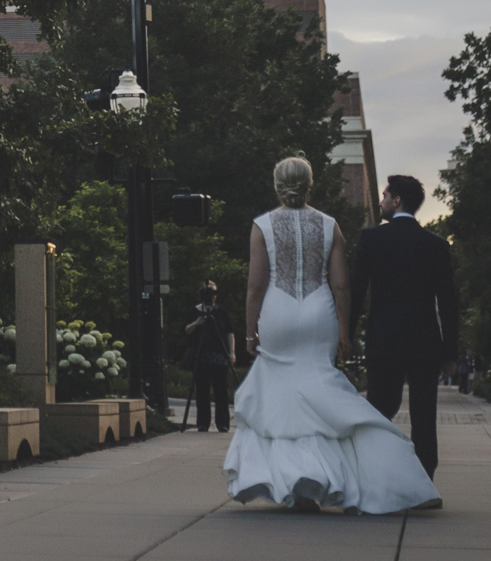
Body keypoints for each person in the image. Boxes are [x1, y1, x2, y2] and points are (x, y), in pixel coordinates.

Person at [224, 156, 439, 514]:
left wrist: (250, 332)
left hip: (278, 313)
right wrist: (343, 330)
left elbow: (254, 287)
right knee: (319, 387)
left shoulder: (261, 225)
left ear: (278, 185)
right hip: (317, 312)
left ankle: (298, 481)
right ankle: (362, 474)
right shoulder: (329, 225)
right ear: (310, 185)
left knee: (284, 395)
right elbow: (341, 285)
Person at [348, 173, 462, 478]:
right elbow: (449, 303)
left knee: (379, 410)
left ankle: (376, 475)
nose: (382, 200)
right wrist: (450, 352)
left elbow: (355, 292)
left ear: (397, 200)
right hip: (425, 342)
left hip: (383, 340)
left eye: (385, 195)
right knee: (424, 415)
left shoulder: (371, 240)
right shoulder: (436, 246)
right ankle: (424, 479)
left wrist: (344, 334)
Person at [184, 282, 235, 432]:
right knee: (202, 390)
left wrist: (232, 352)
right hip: (201, 356)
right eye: (209, 293)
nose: (212, 296)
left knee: (221, 390)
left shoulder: (221, 313)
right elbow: (186, 330)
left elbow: (229, 332)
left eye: (214, 293)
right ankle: (203, 423)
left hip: (219, 355)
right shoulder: (194, 312)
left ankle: (223, 423)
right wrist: (197, 323)